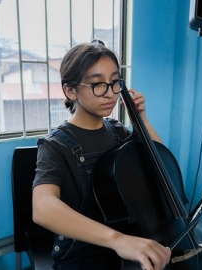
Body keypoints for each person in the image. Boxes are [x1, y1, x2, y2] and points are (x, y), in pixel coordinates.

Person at [32, 40, 171, 270]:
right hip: (80, 252)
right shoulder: (55, 145)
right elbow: (43, 207)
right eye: (98, 84)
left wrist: (142, 120)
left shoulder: (118, 131)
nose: (110, 93)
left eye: (115, 82)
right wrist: (117, 240)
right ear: (70, 90)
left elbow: (160, 164)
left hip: (127, 237)